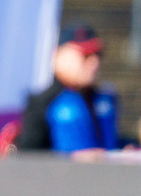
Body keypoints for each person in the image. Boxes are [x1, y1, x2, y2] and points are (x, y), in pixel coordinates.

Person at [16, 23, 122, 156]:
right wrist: (71, 159)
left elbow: (108, 143)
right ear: (58, 56)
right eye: (85, 55)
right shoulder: (43, 102)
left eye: (98, 55)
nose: (95, 63)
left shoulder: (100, 99)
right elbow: (29, 156)